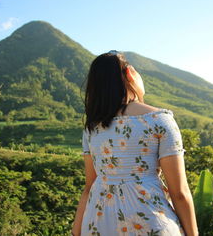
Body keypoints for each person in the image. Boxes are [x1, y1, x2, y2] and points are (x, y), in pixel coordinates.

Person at [71, 50, 198, 236]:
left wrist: (75, 232)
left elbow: (89, 187)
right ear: (130, 74)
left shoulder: (92, 128)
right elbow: (179, 192)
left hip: (98, 224)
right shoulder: (159, 120)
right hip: (151, 223)